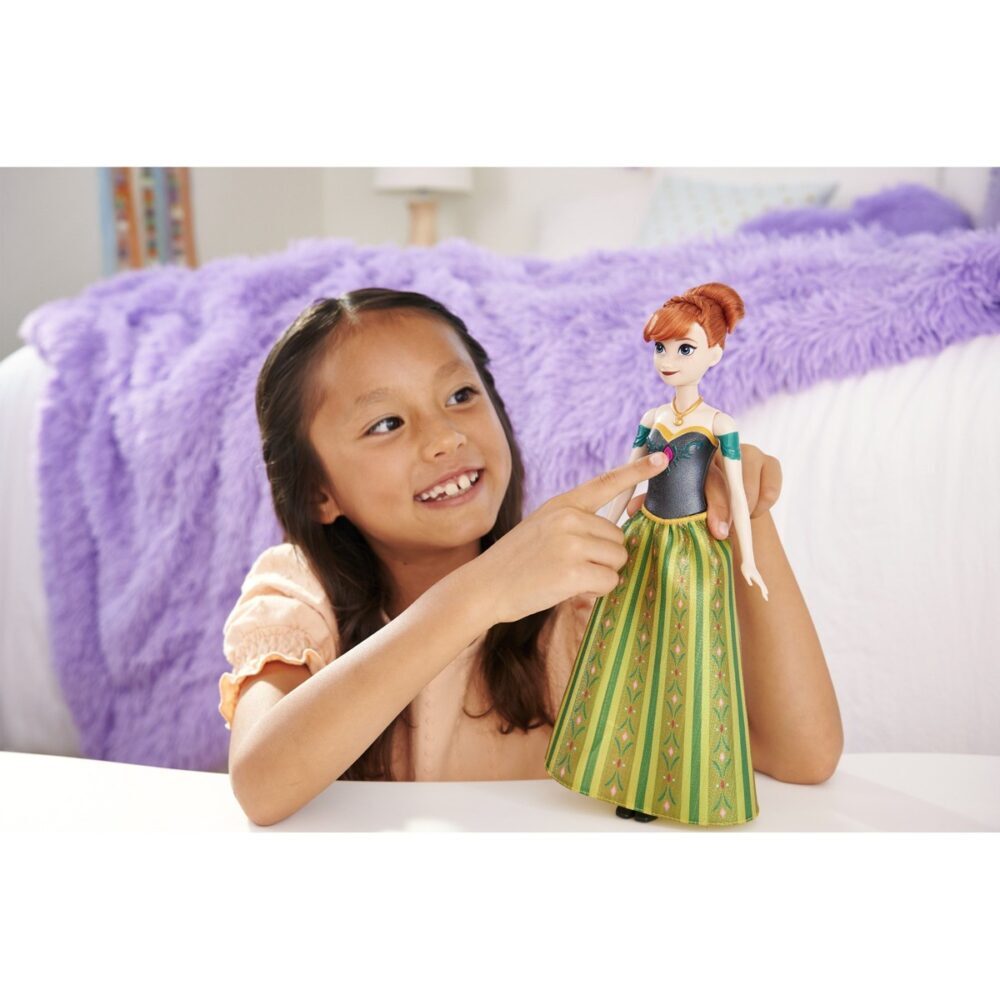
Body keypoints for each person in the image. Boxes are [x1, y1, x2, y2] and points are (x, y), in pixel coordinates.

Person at [218, 288, 842, 826]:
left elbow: (802, 755)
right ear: (317, 492)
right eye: (386, 424)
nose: (445, 438)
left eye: (461, 395)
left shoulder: (582, 588)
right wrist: (479, 593)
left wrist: (745, 515)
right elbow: (261, 784)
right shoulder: (298, 592)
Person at [547, 283, 769, 826]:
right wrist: (605, 528)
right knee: (630, 656)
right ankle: (628, 780)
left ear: (715, 354)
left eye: (684, 348)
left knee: (689, 661)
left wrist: (748, 559)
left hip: (693, 549)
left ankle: (680, 787)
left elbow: (736, 496)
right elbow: (626, 480)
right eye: (662, 348)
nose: (669, 359)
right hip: (645, 539)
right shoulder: (652, 418)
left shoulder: (719, 425)